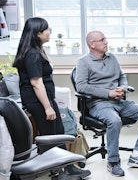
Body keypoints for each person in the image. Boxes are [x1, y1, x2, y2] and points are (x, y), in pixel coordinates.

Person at [12, 17, 91, 179]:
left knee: (58, 132)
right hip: (38, 101)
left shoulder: (36, 50)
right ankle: (58, 172)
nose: (50, 32)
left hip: (44, 99)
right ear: (37, 33)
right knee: (51, 136)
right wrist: (47, 107)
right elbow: (36, 83)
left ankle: (68, 168)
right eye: (47, 29)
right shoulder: (32, 54)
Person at [75, 30, 138, 177]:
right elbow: (81, 87)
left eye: (105, 39)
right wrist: (108, 93)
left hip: (119, 101)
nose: (106, 42)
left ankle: (137, 155)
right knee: (114, 120)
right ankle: (113, 162)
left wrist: (123, 87)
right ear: (92, 44)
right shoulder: (84, 62)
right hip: (99, 104)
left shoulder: (112, 57)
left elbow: (122, 76)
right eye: (102, 40)